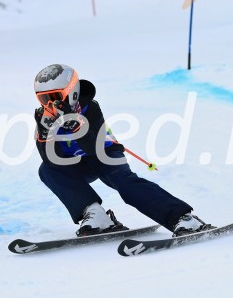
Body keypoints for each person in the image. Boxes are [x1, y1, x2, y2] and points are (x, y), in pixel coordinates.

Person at [33, 63, 212, 237]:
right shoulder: (44, 117)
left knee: (126, 185)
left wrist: (75, 125)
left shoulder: (90, 107)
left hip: (105, 155)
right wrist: (44, 133)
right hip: (77, 163)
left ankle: (182, 218)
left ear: (72, 92)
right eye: (44, 99)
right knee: (47, 170)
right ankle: (95, 214)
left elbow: (92, 147)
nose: (50, 104)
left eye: (56, 96)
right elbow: (51, 159)